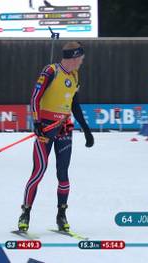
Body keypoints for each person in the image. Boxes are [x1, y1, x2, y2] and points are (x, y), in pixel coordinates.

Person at [18, 41, 94, 233]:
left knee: (63, 174)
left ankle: (61, 215)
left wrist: (85, 128)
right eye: (81, 59)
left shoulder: (75, 75)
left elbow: (74, 103)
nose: (82, 63)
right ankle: (25, 212)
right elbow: (35, 97)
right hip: (45, 126)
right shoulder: (51, 71)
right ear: (74, 57)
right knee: (39, 171)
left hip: (64, 128)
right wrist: (36, 123)